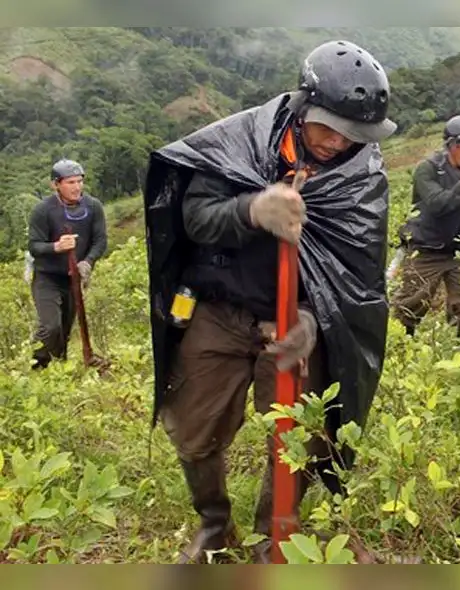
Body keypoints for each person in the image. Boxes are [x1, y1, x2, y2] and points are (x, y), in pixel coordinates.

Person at [141, 39, 396, 564]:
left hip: (298, 319)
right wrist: (253, 209)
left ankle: (273, 537)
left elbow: (355, 273)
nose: (337, 143)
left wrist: (312, 321)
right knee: (193, 428)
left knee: (303, 433)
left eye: (353, 135)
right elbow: (195, 217)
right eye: (328, 127)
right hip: (219, 307)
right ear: (304, 105)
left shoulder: (362, 175)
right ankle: (215, 524)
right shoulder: (238, 142)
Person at [391, 115, 460, 337]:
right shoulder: (429, 169)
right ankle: (400, 346)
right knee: (412, 303)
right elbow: (436, 204)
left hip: (458, 250)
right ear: (452, 144)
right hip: (426, 249)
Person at [27, 159, 107, 370]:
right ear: (56, 184)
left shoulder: (93, 207)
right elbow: (34, 246)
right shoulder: (43, 210)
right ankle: (38, 365)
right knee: (50, 327)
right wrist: (56, 247)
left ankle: (59, 371)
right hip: (47, 277)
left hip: (73, 279)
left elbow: (100, 241)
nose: (77, 187)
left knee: (64, 330)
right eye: (70, 182)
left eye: (79, 181)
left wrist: (88, 262)